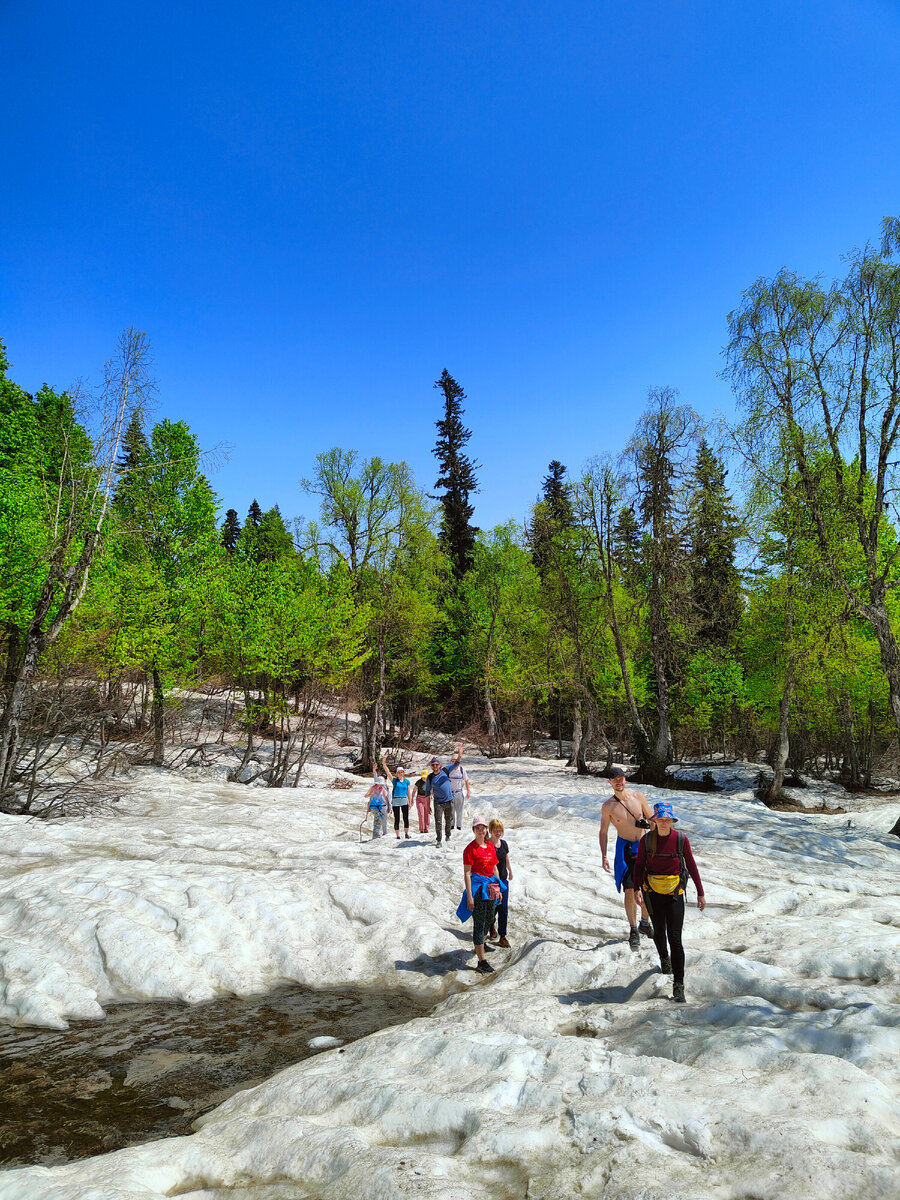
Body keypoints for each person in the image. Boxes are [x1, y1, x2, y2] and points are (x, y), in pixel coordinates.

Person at [633, 801, 706, 1004]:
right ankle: (664, 959)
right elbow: (639, 865)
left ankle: (679, 985)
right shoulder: (646, 841)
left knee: (675, 938)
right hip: (652, 893)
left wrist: (700, 893)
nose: (664, 823)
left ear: (672, 821)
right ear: (654, 821)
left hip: (675, 893)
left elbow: (691, 865)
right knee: (659, 931)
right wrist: (636, 889)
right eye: (661, 820)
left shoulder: (680, 839)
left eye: (668, 820)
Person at [599, 767, 654, 950]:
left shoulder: (638, 797)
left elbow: (652, 820)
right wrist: (604, 855)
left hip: (644, 847)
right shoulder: (608, 806)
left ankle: (644, 923)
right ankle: (633, 929)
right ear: (610, 782)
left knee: (648, 887)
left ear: (625, 780)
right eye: (615, 779)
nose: (619, 782)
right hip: (626, 850)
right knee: (630, 889)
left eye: (621, 778)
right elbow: (604, 831)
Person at [459, 815, 505, 975]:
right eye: (477, 828)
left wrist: (499, 888)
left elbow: (494, 869)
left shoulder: (490, 847)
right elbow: (467, 874)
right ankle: (481, 961)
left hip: (491, 888)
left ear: (486, 830)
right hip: (478, 889)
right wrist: (470, 896)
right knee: (479, 923)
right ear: (473, 830)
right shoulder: (470, 849)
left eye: (483, 828)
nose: (481, 830)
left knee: (489, 919)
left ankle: (481, 943)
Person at [424, 742, 464, 846]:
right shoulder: (430, 777)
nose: (435, 766)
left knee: (448, 819)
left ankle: (448, 835)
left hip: (449, 800)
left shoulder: (445, 770)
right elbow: (427, 793)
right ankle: (438, 840)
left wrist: (460, 754)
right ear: (431, 766)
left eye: (437, 764)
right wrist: (427, 807)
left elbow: (456, 763)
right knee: (438, 821)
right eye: (433, 765)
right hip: (438, 802)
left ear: (440, 765)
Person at [487, 818, 512, 947]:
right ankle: (491, 925)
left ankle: (503, 936)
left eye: (500, 830)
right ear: (491, 830)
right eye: (496, 830)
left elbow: (506, 858)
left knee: (503, 909)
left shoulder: (503, 844)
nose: (498, 832)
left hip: (503, 880)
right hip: (492, 881)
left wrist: (510, 871)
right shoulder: (487, 845)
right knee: (493, 908)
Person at [384, 763, 411, 838]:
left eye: (402, 772)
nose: (400, 774)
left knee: (406, 817)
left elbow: (408, 792)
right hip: (396, 801)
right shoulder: (395, 781)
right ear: (397, 773)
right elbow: (388, 772)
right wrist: (384, 764)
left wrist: (410, 801)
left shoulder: (406, 781)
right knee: (397, 818)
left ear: (403, 773)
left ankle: (406, 833)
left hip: (404, 800)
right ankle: (398, 835)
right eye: (399, 772)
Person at [362, 772, 391, 839]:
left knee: (379, 818)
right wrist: (371, 794)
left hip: (380, 806)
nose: (381, 785)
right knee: (378, 816)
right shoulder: (372, 788)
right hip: (373, 806)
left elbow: (386, 797)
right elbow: (365, 796)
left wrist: (389, 806)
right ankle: (375, 834)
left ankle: (376, 833)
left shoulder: (382, 789)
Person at [447, 756, 471, 831]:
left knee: (459, 810)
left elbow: (466, 780)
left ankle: (459, 826)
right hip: (450, 792)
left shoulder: (461, 769)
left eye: (455, 760)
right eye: (452, 761)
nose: (454, 762)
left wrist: (468, 791)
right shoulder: (448, 770)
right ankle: (451, 825)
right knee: (451, 810)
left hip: (459, 792)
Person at [414, 769, 431, 833]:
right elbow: (414, 790)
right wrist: (412, 799)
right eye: (423, 777)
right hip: (419, 799)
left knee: (427, 814)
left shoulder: (429, 782)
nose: (424, 778)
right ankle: (421, 829)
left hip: (427, 798)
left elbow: (432, 790)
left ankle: (426, 828)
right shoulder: (418, 782)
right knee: (421, 814)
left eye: (425, 777)